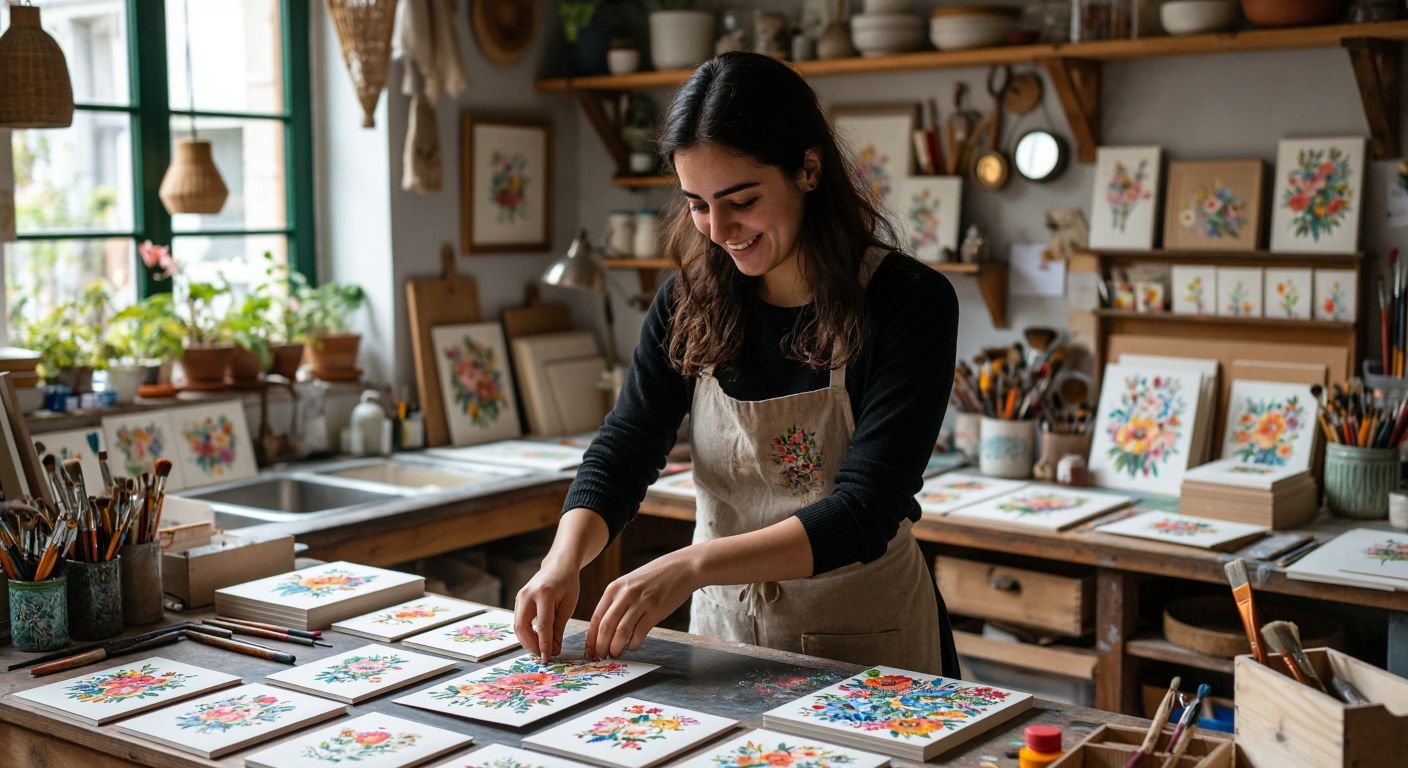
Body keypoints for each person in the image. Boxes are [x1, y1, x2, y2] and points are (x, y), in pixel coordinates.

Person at [514, 51, 960, 676]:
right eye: (696, 203)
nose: (719, 229)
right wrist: (561, 561)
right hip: (726, 637)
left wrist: (691, 565)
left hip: (869, 643)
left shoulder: (908, 301)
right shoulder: (690, 298)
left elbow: (866, 509)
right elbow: (626, 446)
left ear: (808, 168)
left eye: (741, 200)